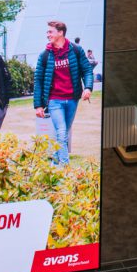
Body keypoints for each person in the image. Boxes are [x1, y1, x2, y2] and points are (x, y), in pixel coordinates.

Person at [33, 21, 94, 165]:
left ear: (60, 32)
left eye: (50, 32)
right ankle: (65, 167)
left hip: (72, 99)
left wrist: (88, 88)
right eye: (47, 32)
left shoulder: (76, 50)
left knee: (64, 133)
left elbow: (87, 70)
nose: (48, 35)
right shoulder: (45, 55)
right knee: (61, 132)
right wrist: (38, 105)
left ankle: (54, 163)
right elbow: (38, 80)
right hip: (54, 100)